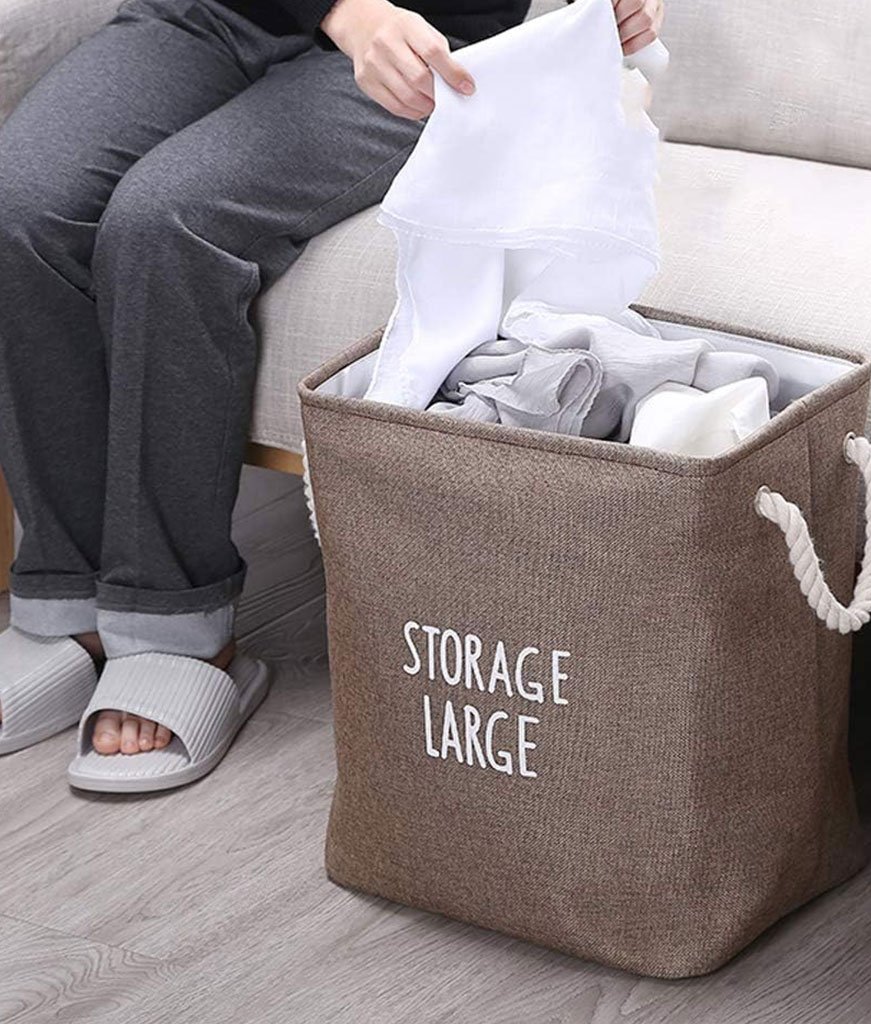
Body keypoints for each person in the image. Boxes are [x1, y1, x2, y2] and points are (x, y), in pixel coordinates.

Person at [0, 0, 663, 790]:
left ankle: (175, 625)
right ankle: (66, 599)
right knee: (20, 205)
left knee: (166, 222)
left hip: (431, 48)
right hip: (212, 14)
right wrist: (344, 10)